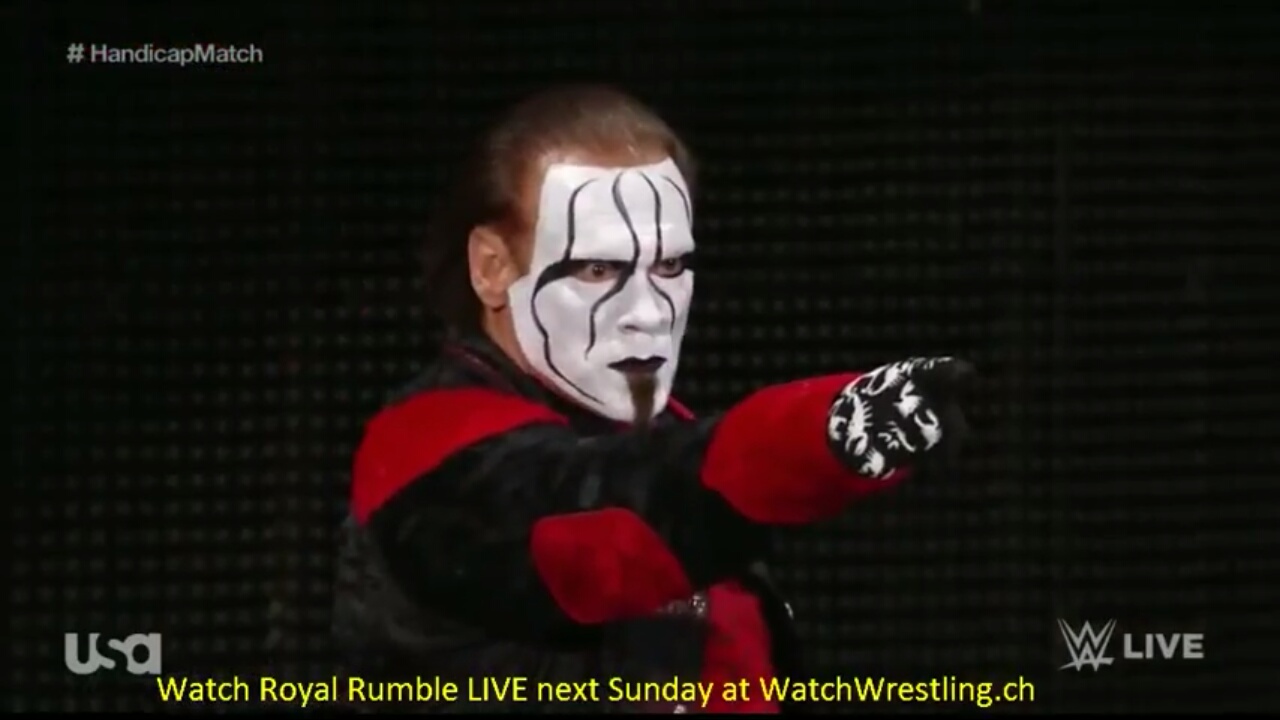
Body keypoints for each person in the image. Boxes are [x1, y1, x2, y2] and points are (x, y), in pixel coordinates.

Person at [333, 84, 974, 713]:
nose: (647, 312)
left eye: (669, 267)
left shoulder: (660, 435)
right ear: (492, 268)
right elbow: (605, 518)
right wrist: (818, 433)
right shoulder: (422, 448)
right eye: (597, 270)